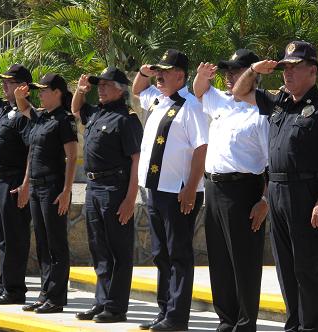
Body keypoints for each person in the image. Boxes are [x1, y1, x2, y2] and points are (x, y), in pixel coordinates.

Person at [232, 41, 318, 332]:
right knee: (284, 268)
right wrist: (255, 70)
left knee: (305, 269)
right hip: (278, 191)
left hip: (306, 193)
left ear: (312, 70)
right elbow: (239, 92)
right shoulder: (278, 102)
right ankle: (293, 324)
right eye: (285, 68)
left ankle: (310, 327)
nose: (288, 73)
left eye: (295, 67)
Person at [193, 49, 269, 332]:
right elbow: (201, 91)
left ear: (251, 76)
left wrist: (264, 200)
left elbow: (273, 164)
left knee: (244, 261)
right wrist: (201, 76)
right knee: (220, 258)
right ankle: (227, 318)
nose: (229, 76)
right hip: (214, 187)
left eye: (236, 71)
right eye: (227, 72)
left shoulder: (260, 112)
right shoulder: (222, 103)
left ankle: (246, 322)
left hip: (243, 190)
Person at [133, 49, 209, 331]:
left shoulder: (191, 106)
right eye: (159, 71)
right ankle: (164, 311)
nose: (160, 76)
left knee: (178, 254)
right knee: (160, 254)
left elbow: (202, 149)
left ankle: (177, 317)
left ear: (181, 75)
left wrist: (191, 187)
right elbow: (137, 89)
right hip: (154, 189)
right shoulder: (157, 98)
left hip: (178, 192)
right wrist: (145, 72)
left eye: (165, 71)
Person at [72, 67, 143, 323]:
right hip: (93, 188)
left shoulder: (127, 119)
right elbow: (76, 109)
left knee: (118, 252)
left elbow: (137, 160)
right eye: (98, 84)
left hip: (115, 189)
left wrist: (130, 199)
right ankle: (101, 302)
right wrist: (81, 92)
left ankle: (115, 307)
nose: (100, 88)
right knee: (99, 249)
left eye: (105, 84)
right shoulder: (97, 113)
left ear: (120, 89)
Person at [14, 73, 78, 313]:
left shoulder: (64, 119)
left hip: (53, 187)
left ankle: (56, 297)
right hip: (37, 186)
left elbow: (71, 156)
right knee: (42, 242)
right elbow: (25, 110)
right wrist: (27, 182)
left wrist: (66, 191)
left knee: (56, 243)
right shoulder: (41, 117)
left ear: (57, 92)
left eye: (43, 89)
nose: (39, 93)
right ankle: (45, 292)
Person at [0, 64, 32, 305]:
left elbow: (32, 150)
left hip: (13, 180)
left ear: (22, 86)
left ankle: (14, 289)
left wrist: (26, 184)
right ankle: (4, 285)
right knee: (2, 236)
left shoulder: (25, 113)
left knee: (14, 237)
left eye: (9, 82)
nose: (4, 85)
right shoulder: (4, 109)